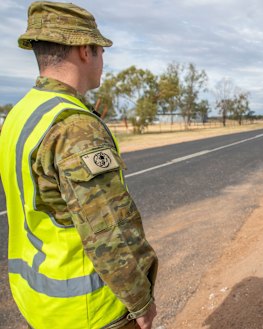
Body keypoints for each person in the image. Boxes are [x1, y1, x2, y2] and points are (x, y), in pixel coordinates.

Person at [0, 2, 158, 328]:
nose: (104, 60)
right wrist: (140, 300)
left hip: (39, 303)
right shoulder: (74, 125)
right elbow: (107, 230)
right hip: (91, 310)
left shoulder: (21, 114)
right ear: (85, 51)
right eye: (101, 50)